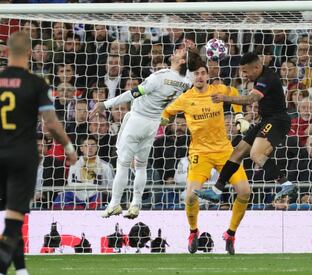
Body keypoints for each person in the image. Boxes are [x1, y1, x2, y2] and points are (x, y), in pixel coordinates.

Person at [91, 48, 203, 219]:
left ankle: (114, 204)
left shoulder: (159, 77)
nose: (174, 52)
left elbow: (133, 93)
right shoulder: (186, 81)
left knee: (123, 164)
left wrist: (105, 104)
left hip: (137, 120)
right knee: (141, 166)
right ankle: (136, 204)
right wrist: (191, 53)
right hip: (153, 124)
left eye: (179, 53)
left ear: (181, 62)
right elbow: (190, 67)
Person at [0, 31, 77, 274]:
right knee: (14, 217)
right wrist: (67, 145)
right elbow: (51, 123)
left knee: (14, 214)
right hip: (23, 156)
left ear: (6, 52)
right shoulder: (36, 83)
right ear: (31, 53)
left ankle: (21, 269)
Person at [161, 65, 250, 255]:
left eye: (203, 73)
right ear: (191, 77)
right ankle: (193, 232)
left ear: (208, 76)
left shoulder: (218, 90)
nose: (200, 77)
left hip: (224, 151)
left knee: (244, 192)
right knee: (191, 195)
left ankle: (230, 234)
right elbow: (167, 112)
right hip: (200, 153)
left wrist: (240, 115)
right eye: (196, 74)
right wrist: (163, 121)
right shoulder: (185, 99)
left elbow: (234, 92)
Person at [195, 52, 296, 203]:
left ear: (256, 67)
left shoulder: (267, 78)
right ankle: (216, 191)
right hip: (266, 120)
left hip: (277, 121)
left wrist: (224, 98)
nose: (244, 75)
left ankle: (286, 184)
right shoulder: (261, 76)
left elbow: (251, 99)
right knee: (237, 153)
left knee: (256, 154)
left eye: (246, 71)